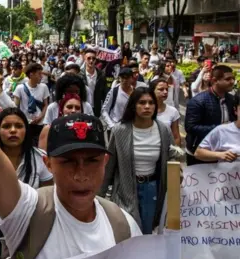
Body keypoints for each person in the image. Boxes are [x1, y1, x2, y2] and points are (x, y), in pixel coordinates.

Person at [0, 28, 141, 259]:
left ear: (105, 161)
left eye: (91, 160)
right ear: (48, 163)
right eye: (68, 160)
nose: (80, 173)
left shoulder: (124, 227)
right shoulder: (28, 212)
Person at [0, 107, 53, 252]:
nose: (13, 130)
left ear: (26, 130)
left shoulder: (40, 158)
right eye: (6, 126)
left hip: (31, 225)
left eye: (19, 126)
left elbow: (49, 199)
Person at [100, 87, 177, 234]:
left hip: (152, 189)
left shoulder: (163, 130)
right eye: (142, 102)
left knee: (146, 232)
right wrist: (98, 196)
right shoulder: (120, 130)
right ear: (133, 106)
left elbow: (172, 154)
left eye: (150, 103)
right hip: (125, 190)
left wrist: (176, 170)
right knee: (127, 230)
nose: (147, 106)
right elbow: (109, 165)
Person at [185, 65, 237, 166]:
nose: (232, 82)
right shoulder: (198, 101)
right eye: (227, 79)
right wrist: (220, 128)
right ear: (214, 81)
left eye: (233, 78)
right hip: (201, 154)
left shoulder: (232, 99)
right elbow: (190, 127)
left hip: (225, 153)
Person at [194, 91, 240, 162]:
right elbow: (198, 153)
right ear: (235, 110)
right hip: (229, 172)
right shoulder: (222, 131)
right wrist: (220, 155)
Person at [13, 63, 50, 146]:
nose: (41, 76)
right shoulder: (20, 88)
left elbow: (46, 105)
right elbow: (16, 107)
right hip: (26, 123)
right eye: (39, 74)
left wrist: (40, 117)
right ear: (31, 74)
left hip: (40, 123)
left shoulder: (44, 87)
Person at [79, 48, 109, 117]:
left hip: (97, 108)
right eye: (89, 58)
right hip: (83, 107)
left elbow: (105, 93)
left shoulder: (101, 75)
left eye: (93, 58)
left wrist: (105, 109)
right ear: (84, 59)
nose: (91, 60)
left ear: (96, 60)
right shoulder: (79, 75)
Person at [152, 79, 181, 146]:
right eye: (161, 89)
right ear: (152, 91)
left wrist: (176, 153)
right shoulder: (145, 110)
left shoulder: (173, 111)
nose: (165, 92)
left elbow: (176, 136)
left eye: (167, 89)